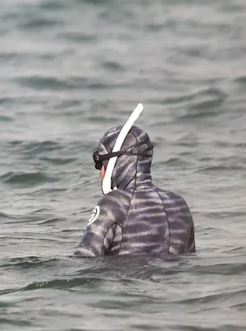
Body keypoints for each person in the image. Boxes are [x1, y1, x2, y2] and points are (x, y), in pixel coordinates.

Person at [74, 104, 195, 257]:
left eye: (101, 165)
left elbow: (83, 260)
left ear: (115, 163)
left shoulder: (114, 204)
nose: (101, 173)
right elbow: (189, 260)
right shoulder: (179, 204)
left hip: (127, 279)